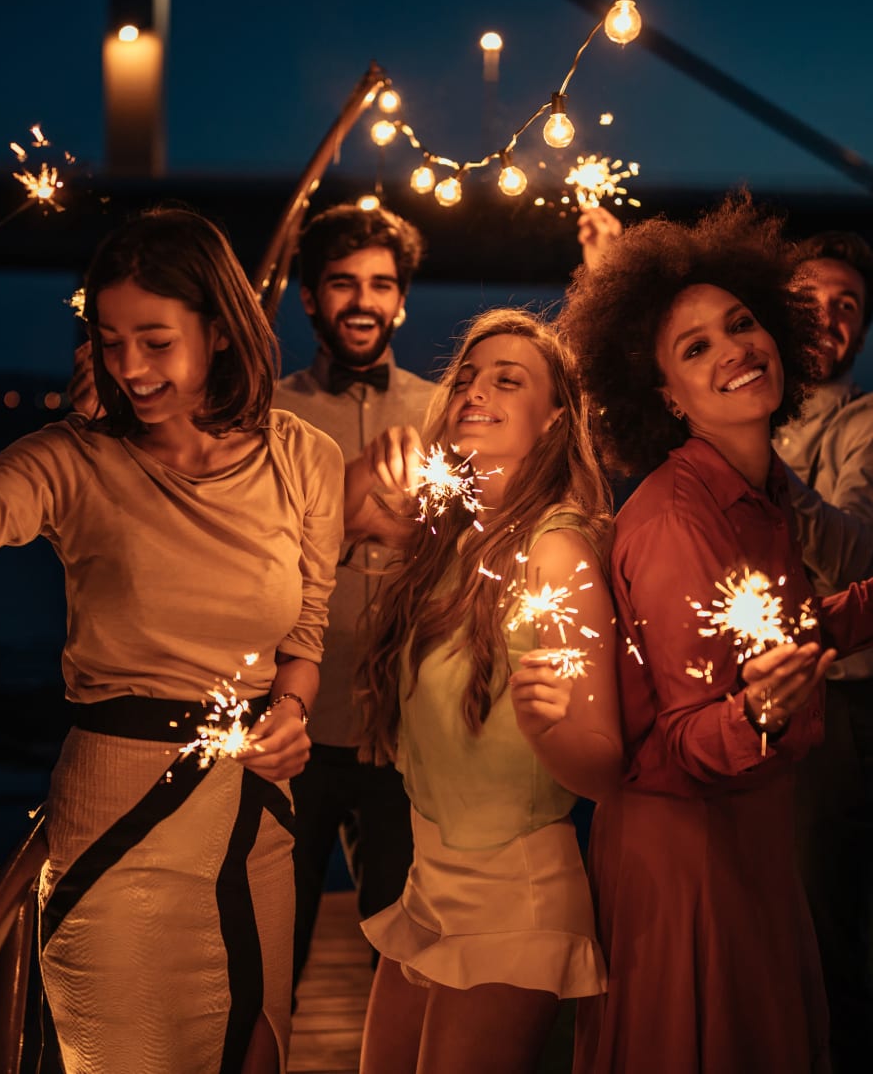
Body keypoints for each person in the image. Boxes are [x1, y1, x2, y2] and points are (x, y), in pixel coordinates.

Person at [0, 208, 344, 1074]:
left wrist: (291, 711)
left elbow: (305, 631)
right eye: (112, 339)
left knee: (258, 1057)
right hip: (115, 827)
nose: (130, 367)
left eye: (156, 341)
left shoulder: (304, 458)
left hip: (255, 827)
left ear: (221, 331)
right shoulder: (70, 463)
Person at [557, 196, 873, 1074]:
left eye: (741, 324)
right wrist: (762, 715)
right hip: (688, 857)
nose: (735, 349)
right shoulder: (671, 521)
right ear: (662, 393)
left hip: (754, 833)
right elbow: (687, 737)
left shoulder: (763, 491)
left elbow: (786, 636)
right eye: (695, 348)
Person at [348, 307, 623, 1073]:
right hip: (428, 886)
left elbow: (605, 770)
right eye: (466, 377)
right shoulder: (448, 540)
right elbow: (299, 550)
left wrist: (550, 727)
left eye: (509, 381)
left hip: (516, 900)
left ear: (554, 419)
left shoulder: (557, 551)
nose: (475, 390)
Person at [273, 203, 436, 993]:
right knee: (270, 954)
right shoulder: (264, 416)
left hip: (409, 733)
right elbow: (251, 565)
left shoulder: (446, 414)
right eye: (342, 284)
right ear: (310, 297)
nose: (363, 301)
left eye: (381, 284)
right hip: (288, 725)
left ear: (402, 299)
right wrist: (350, 500)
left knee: (407, 963)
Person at [776, 230, 873, 1073]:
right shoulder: (754, 414)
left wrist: (758, 466)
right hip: (751, 696)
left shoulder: (866, 423)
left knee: (822, 918)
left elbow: (851, 557)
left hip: (838, 705)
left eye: (848, 305)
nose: (829, 318)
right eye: (808, 301)